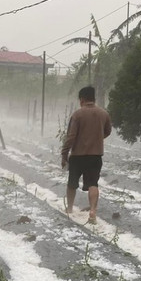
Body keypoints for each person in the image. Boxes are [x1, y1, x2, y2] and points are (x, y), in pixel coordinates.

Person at [61, 85, 112, 224]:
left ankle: (70, 208)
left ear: (82, 99)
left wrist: (64, 153)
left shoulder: (77, 114)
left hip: (78, 155)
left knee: (72, 183)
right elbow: (108, 131)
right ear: (93, 99)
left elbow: (71, 136)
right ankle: (93, 211)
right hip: (95, 156)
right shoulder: (103, 114)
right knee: (93, 183)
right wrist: (96, 139)